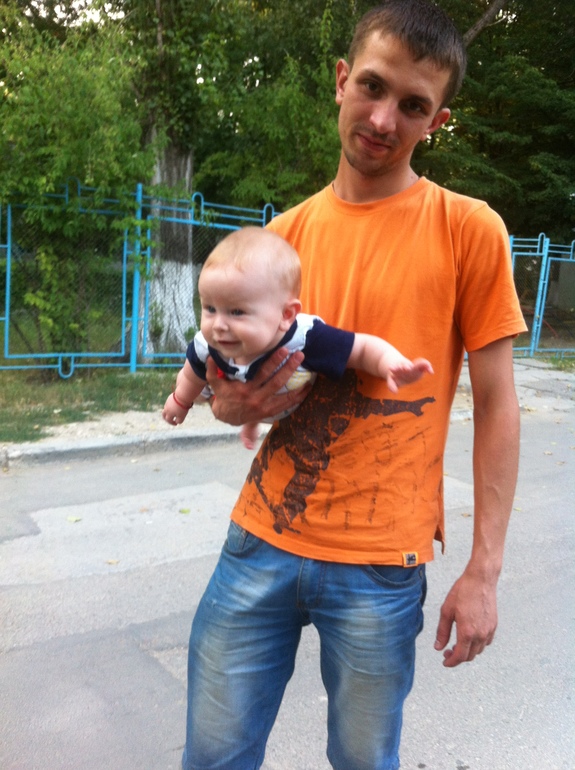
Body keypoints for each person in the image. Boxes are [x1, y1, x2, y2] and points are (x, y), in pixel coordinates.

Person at [182, 2, 528, 769]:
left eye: (412, 105)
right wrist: (229, 401)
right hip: (259, 540)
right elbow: (230, 390)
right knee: (212, 758)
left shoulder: (467, 229)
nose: (381, 118)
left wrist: (483, 570)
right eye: (371, 86)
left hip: (380, 563)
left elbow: (498, 405)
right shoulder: (281, 241)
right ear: (341, 80)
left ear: (435, 121)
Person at [162, 226, 433, 449]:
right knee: (203, 376)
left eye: (237, 312)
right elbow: (192, 374)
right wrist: (180, 401)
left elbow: (361, 349)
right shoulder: (207, 344)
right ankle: (252, 423)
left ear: (286, 314)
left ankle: (252, 423)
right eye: (210, 308)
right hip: (239, 389)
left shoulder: (307, 339)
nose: (219, 325)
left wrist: (390, 363)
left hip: (295, 409)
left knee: (259, 379)